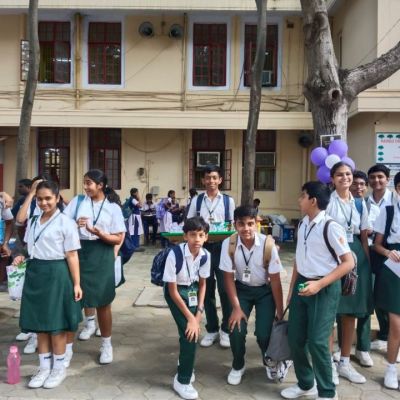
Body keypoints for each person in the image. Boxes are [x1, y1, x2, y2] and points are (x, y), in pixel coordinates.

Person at [281, 181, 354, 400]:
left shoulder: (330, 226)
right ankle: (306, 384)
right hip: (302, 285)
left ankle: (327, 392)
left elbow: (348, 263)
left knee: (318, 342)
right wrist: (291, 290)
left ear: (313, 200)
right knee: (295, 338)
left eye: (302, 196)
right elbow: (299, 259)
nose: (299, 200)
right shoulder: (303, 223)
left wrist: (319, 285)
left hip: (324, 288)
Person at [13, 180, 82, 389]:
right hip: (35, 274)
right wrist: (21, 256)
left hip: (57, 274)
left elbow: (72, 255)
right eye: (40, 199)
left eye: (48, 198)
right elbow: (29, 247)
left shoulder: (66, 223)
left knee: (56, 325)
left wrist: (77, 284)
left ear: (57, 198)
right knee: (40, 325)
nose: (44, 203)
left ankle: (58, 369)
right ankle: (44, 367)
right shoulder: (34, 221)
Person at [64, 169, 126, 365]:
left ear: (101, 185)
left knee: (103, 301)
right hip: (78, 252)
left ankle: (106, 345)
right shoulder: (77, 202)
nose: (85, 186)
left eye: (89, 183)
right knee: (73, 298)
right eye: (84, 182)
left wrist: (99, 233)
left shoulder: (113, 208)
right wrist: (75, 224)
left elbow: (118, 237)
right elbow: (62, 226)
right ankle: (66, 348)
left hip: (102, 253)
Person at [220, 205, 284, 385]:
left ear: (257, 223)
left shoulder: (267, 244)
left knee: (264, 333)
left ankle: (269, 360)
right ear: (235, 224)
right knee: (236, 329)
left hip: (265, 291)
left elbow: (276, 281)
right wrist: (236, 308)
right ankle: (238, 364)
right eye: (241, 224)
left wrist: (280, 312)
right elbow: (228, 278)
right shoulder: (229, 244)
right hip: (241, 290)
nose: (246, 228)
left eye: (250, 223)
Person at [326, 162, 372, 384]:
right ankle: (328, 363)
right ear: (332, 178)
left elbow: (363, 237)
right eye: (339, 174)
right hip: (332, 256)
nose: (345, 178)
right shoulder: (327, 201)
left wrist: (366, 263)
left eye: (348, 174)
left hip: (355, 256)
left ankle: (344, 362)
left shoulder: (360, 203)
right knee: (329, 311)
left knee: (350, 312)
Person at [186, 165, 235, 348]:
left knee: (225, 289)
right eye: (208, 178)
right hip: (203, 249)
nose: (211, 181)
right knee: (205, 290)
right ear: (203, 180)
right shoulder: (197, 201)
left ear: (220, 180)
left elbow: (233, 226)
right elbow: (189, 223)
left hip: (223, 249)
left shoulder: (228, 201)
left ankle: (226, 330)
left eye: (214, 177)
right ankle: (212, 329)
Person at [163, 216, 210, 400]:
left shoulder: (206, 256)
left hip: (193, 290)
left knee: (191, 330)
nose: (197, 239)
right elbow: (172, 291)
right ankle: (182, 380)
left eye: (201, 235)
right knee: (190, 334)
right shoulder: (174, 254)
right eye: (192, 235)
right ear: (185, 236)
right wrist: (191, 318)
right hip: (176, 293)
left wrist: (198, 313)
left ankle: (184, 362)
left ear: (206, 237)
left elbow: (203, 285)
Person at [366, 165, 397, 355]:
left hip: (390, 252)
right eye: (372, 177)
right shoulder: (364, 201)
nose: (376, 180)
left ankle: (392, 336)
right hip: (370, 251)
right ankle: (385, 334)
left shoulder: (394, 200)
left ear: (387, 179)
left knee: (392, 297)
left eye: (380, 177)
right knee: (377, 294)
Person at [373, 195, 400, 389]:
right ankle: (391, 369)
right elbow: (377, 244)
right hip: (394, 267)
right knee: (396, 324)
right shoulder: (389, 211)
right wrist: (388, 253)